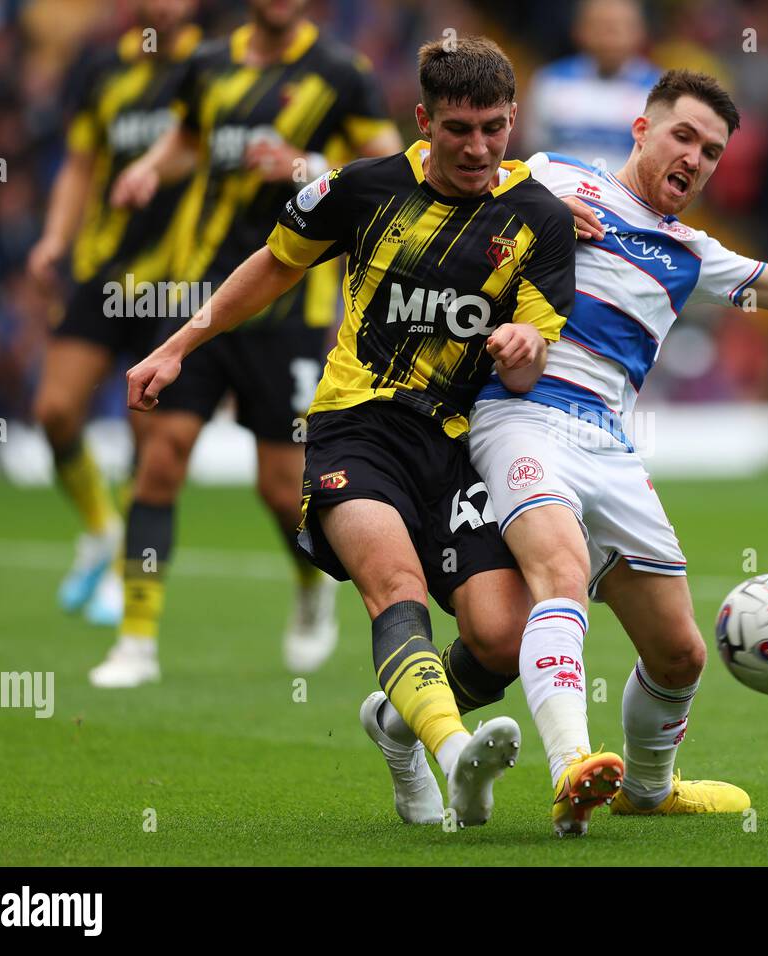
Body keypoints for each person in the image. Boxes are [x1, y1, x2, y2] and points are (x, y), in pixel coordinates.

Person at [381, 70, 768, 836]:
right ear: (642, 131)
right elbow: (448, 190)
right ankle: (572, 766)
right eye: (683, 136)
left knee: (680, 654)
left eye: (711, 151)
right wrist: (528, 210)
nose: (696, 159)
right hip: (521, 416)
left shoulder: (690, 252)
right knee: (560, 580)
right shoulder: (551, 175)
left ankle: (647, 787)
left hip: (608, 444)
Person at [124, 36, 578, 828]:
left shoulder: (538, 217)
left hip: (460, 443)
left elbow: (526, 371)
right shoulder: (362, 189)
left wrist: (524, 346)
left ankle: (401, 731)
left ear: (515, 119)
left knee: (502, 637)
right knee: (396, 590)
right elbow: (272, 264)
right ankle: (451, 753)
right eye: (458, 128)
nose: (477, 147)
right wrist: (175, 347)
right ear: (422, 121)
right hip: (355, 427)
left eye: (494, 128)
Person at [95, 0, 401, 686]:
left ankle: (309, 584)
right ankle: (136, 638)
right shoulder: (207, 65)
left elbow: (391, 165)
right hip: (200, 296)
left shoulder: (340, 73)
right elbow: (185, 142)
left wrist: (309, 165)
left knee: (278, 485)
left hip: (291, 305)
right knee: (161, 459)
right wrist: (150, 166)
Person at [28, 0, 201, 628]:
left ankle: (130, 582)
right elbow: (79, 166)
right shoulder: (102, 72)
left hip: (177, 283)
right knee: (53, 409)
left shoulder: (210, 69)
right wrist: (54, 238)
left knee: (148, 440)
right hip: (104, 273)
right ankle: (100, 528)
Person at [520, 0, 661, 172]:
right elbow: (533, 150)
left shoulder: (660, 91)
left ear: (640, 31)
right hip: (555, 196)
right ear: (579, 29)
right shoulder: (550, 82)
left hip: (627, 198)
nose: (610, 36)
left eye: (619, 26)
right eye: (600, 25)